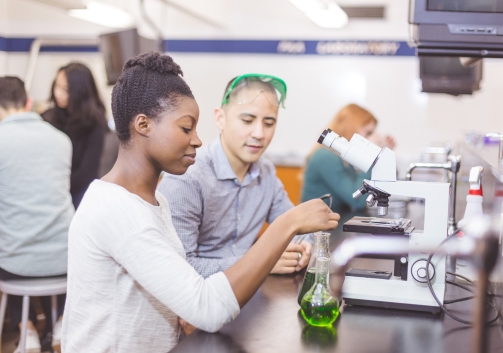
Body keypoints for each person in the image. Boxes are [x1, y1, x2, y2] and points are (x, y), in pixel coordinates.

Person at [62, 52, 339, 352]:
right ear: (143, 125)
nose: (196, 140)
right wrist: (288, 223)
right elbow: (207, 307)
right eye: (186, 128)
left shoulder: (152, 202)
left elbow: (181, 286)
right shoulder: (117, 210)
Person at [158, 74, 313, 279]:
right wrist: (260, 262)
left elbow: (295, 227)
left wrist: (303, 246)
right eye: (247, 120)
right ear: (220, 119)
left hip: (245, 297)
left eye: (269, 123)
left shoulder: (266, 173)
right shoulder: (188, 177)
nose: (259, 133)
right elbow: (178, 268)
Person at [0, 76, 73, 353]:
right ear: (28, 103)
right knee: (56, 243)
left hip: (15, 265)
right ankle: (63, 323)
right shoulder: (62, 140)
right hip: (65, 261)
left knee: (10, 245)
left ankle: (26, 330)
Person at [301, 104, 396, 215]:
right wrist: (371, 156)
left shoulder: (345, 159)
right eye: (368, 133)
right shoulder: (325, 157)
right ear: (351, 128)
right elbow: (357, 201)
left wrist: (381, 155)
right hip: (314, 227)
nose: (371, 137)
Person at [42, 63, 107, 209]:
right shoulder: (47, 118)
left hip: (78, 192)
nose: (58, 93)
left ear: (80, 92)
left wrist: (58, 187)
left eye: (65, 89)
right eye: (56, 86)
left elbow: (87, 173)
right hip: (49, 189)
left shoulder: (95, 124)